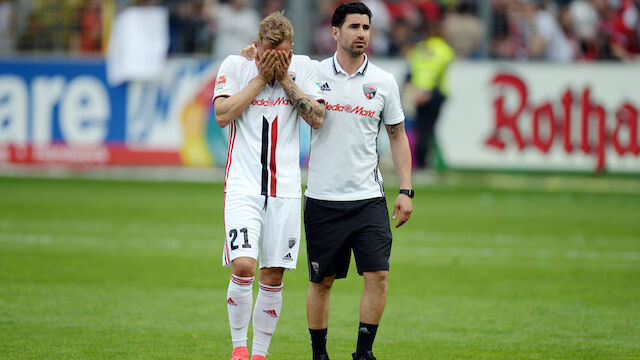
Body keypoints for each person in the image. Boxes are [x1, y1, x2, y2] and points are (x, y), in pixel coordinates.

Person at [212, 11, 325, 360]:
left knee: (273, 274)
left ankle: (260, 353)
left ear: (291, 49)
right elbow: (222, 114)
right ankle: (239, 348)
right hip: (243, 186)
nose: (275, 58)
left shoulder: (305, 68)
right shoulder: (235, 65)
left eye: (283, 53)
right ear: (257, 47)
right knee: (244, 265)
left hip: (285, 190)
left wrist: (287, 81)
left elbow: (317, 118)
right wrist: (261, 79)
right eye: (268, 52)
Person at [305, 3, 413, 360]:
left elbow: (397, 136)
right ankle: (319, 354)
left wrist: (406, 190)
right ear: (335, 32)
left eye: (366, 27)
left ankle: (363, 354)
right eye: (354, 26)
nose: (362, 33)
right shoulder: (313, 73)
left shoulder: (383, 81)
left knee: (378, 276)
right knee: (322, 282)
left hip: (368, 199)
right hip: (323, 198)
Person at [406, 18, 454, 169]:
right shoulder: (444, 49)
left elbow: (413, 71)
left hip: (417, 93)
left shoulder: (419, 48)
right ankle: (422, 165)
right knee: (427, 130)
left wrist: (417, 91)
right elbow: (436, 72)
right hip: (434, 94)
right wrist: (428, 92)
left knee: (420, 129)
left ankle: (420, 163)